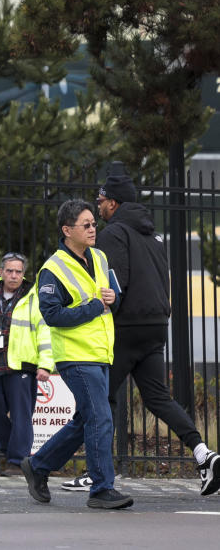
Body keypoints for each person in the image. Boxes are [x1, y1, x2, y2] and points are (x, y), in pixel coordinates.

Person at [85, 173, 219, 495]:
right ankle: (204, 454)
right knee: (158, 397)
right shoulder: (153, 235)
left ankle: (97, 475)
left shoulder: (113, 233)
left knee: (100, 400)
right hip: (156, 326)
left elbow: (115, 284)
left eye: (101, 201)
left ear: (113, 202)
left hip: (126, 328)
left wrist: (106, 318)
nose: (97, 207)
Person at [21, 199, 133, 510]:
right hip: (75, 356)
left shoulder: (99, 257)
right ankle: (100, 489)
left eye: (93, 224)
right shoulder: (52, 269)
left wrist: (114, 296)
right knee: (100, 418)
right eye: (86, 225)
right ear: (67, 230)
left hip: (100, 353)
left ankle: (38, 465)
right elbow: (53, 314)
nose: (93, 228)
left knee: (86, 420)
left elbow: (112, 297)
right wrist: (97, 305)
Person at [0, 251, 52, 477]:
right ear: (1, 272)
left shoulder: (33, 297)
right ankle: (12, 446)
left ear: (23, 274)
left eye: (18, 271)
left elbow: (45, 331)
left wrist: (45, 364)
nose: (14, 276)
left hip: (21, 365)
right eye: (10, 271)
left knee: (21, 415)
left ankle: (18, 461)